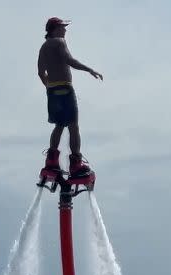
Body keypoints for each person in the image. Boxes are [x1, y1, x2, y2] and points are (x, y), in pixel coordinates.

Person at [37, 17, 103, 178]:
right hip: (65, 88)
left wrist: (49, 87)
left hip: (52, 90)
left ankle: (51, 162)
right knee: (73, 126)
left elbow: (40, 72)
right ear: (54, 29)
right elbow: (70, 61)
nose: (65, 30)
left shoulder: (43, 47)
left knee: (59, 125)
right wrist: (90, 70)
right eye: (62, 27)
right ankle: (76, 164)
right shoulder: (59, 42)